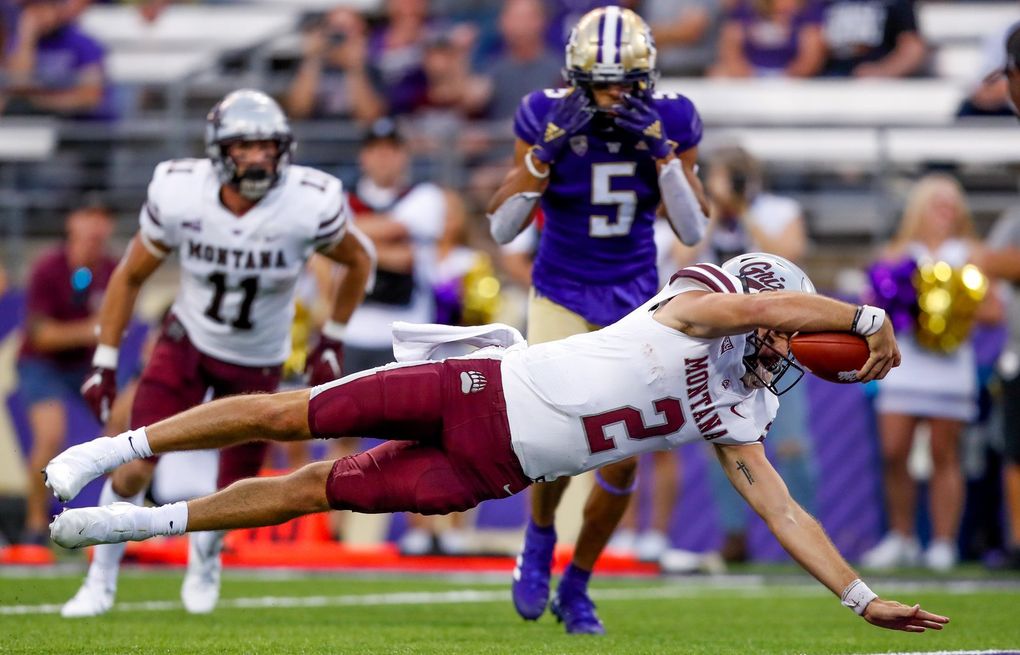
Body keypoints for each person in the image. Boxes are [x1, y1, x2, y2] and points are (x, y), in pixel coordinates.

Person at [47, 253, 949, 635]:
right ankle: (109, 449)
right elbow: (756, 311)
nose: (787, 353)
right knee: (290, 412)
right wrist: (866, 314)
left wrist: (861, 599)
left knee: (317, 486)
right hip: (479, 385)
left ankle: (129, 522)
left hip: (493, 467)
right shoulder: (699, 307)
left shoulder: (741, 413)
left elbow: (784, 509)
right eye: (791, 336)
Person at [59, 89, 374, 619]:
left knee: (235, 490)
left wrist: (332, 337)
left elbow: (359, 260)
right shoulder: (183, 193)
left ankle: (206, 558)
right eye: (245, 146)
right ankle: (101, 577)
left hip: (259, 359)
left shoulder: (307, 201)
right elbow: (130, 274)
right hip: (187, 345)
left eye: (267, 147)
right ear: (218, 150)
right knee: (134, 462)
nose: (258, 158)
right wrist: (106, 359)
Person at [485, 6, 709, 634]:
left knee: (624, 458)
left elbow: (692, 226)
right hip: (559, 288)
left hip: (636, 295)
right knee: (553, 439)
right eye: (600, 82)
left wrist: (664, 156)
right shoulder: (543, 112)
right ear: (576, 77)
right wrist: (545, 154)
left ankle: (578, 583)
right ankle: (537, 539)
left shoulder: (673, 117)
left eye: (624, 82)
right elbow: (502, 225)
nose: (613, 95)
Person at [862, 173, 995, 572]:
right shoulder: (897, 253)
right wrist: (905, 304)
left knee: (944, 453)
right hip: (904, 364)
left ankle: (942, 542)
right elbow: (873, 305)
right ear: (919, 208)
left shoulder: (970, 253)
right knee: (893, 452)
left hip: (950, 366)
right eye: (937, 203)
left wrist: (952, 308)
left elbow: (993, 311)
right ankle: (900, 536)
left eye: (952, 204)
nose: (946, 211)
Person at [16, 205, 117, 547]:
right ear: (72, 224)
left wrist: (94, 332)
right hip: (41, 364)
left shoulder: (113, 269)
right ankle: (33, 525)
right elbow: (42, 336)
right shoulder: (48, 267)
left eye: (101, 221)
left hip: (86, 365)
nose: (95, 229)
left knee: (123, 430)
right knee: (49, 436)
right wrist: (91, 330)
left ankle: (124, 517)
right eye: (88, 218)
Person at [709, 0, 825, 79]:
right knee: (717, 74)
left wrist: (785, 79)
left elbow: (811, 55)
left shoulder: (809, 9)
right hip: (749, 73)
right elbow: (730, 44)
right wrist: (748, 77)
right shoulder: (746, 7)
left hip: (792, 75)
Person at [820, 0, 927, 79]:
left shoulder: (895, 3)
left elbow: (913, 48)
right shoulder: (822, 4)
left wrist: (883, 72)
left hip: (879, 90)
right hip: (826, 83)